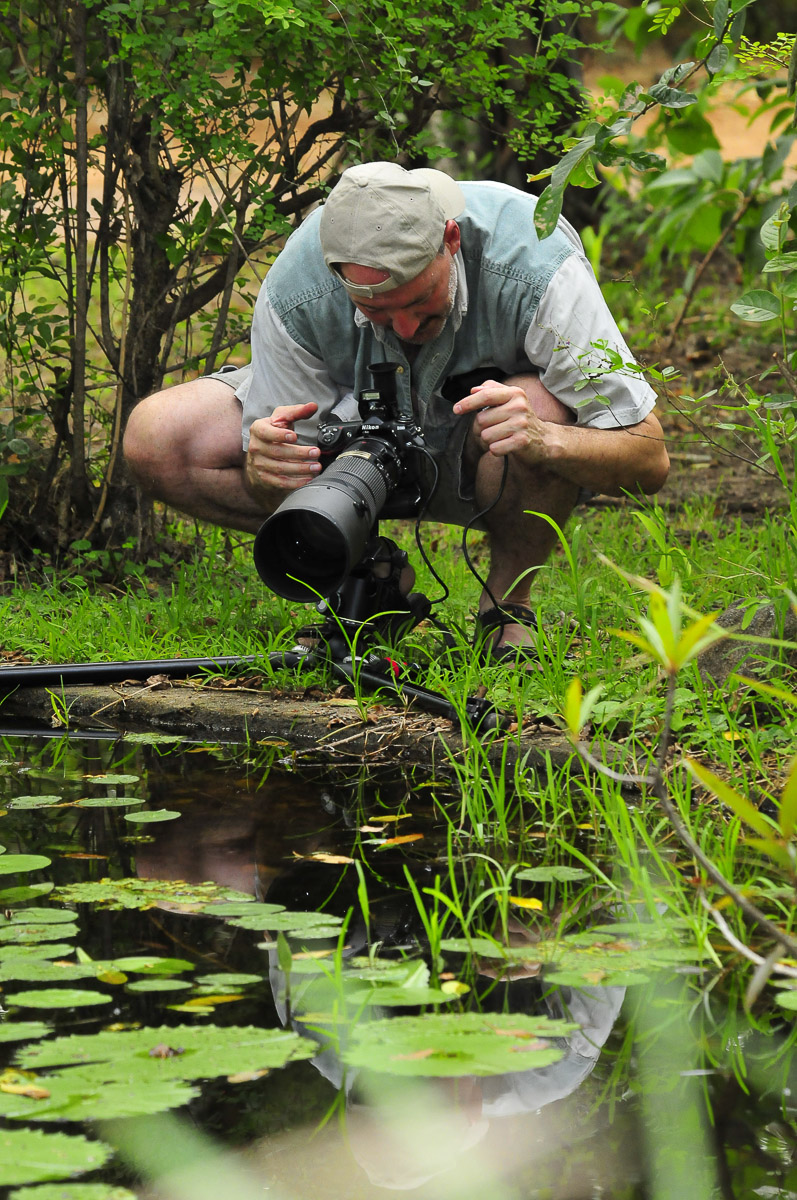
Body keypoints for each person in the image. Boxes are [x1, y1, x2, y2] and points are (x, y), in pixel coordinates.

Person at [123, 161, 669, 657]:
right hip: (354, 444)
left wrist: (546, 439)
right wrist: (264, 465)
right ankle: (370, 574)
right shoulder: (300, 285)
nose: (404, 329)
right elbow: (281, 485)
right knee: (159, 436)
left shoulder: (535, 263)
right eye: (375, 311)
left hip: (487, 451)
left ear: (450, 240)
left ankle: (505, 608)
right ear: (339, 275)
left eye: (417, 302)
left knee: (540, 406)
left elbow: (650, 459)